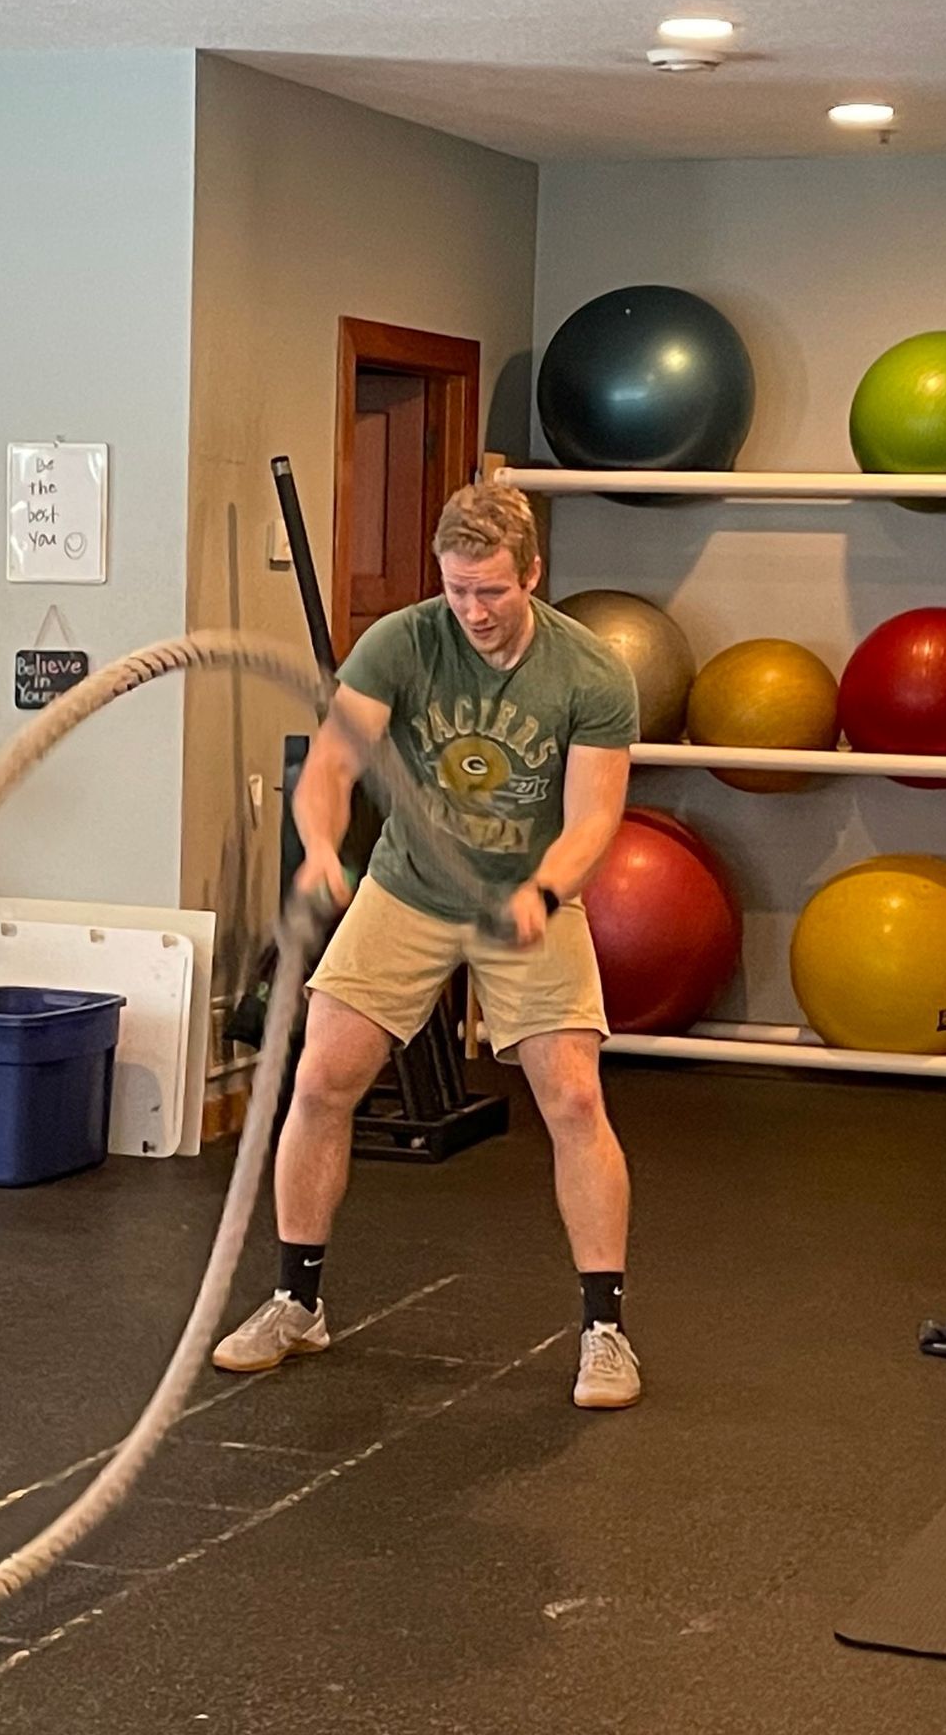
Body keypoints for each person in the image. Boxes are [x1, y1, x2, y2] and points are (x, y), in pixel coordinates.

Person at [212, 481, 643, 1409]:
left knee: (572, 1097)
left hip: (528, 896)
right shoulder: (403, 642)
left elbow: (596, 816)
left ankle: (605, 1331)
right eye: (458, 590)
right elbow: (330, 766)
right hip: (406, 888)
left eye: (492, 590)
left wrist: (544, 889)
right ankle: (297, 1301)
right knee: (322, 1078)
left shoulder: (592, 673)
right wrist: (323, 848)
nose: (475, 612)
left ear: (532, 572)